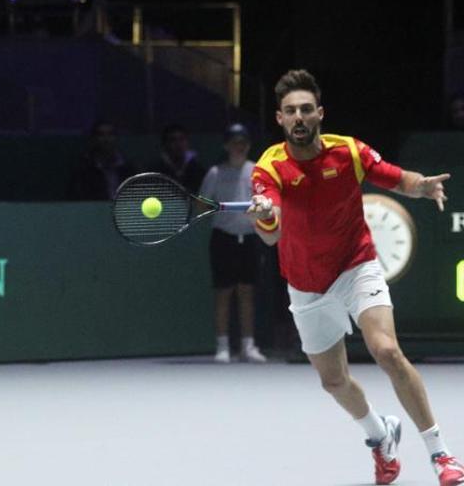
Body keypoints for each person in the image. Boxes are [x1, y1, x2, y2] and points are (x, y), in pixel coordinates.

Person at [247, 69, 462, 486]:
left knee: (386, 351)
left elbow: (401, 180)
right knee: (333, 381)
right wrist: (265, 215)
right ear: (279, 119)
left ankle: (442, 455)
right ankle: (381, 437)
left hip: (355, 265)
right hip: (306, 284)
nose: (299, 118)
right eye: (291, 111)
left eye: (306, 109)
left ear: (320, 113)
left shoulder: (349, 152)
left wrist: (425, 187)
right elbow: (270, 234)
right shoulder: (269, 167)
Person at [198, 123, 267, 364]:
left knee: (247, 293)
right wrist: (211, 206)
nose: (239, 147)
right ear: (226, 146)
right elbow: (203, 205)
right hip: (223, 238)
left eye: (243, 142)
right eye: (235, 142)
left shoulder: (257, 170)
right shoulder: (216, 173)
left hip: (250, 238)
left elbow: (267, 203)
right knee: (223, 293)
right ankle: (223, 347)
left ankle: (248, 346)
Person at [67, 120, 137, 200]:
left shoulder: (128, 168)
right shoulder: (83, 169)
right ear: (94, 139)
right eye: (101, 135)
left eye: (110, 134)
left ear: (116, 138)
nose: (106, 139)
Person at [148, 123, 206, 194]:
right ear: (165, 144)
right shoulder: (155, 171)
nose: (178, 144)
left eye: (182, 139)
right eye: (173, 140)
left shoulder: (198, 170)